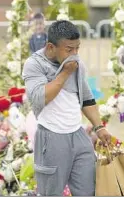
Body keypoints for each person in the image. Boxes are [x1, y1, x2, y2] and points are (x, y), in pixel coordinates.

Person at [22, 20, 112, 196]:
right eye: (69, 49)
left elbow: (86, 98)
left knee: (89, 190)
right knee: (51, 192)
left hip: (78, 136)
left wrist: (99, 127)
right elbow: (41, 97)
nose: (75, 54)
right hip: (51, 136)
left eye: (77, 48)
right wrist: (65, 73)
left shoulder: (77, 65)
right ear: (51, 47)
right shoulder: (34, 64)